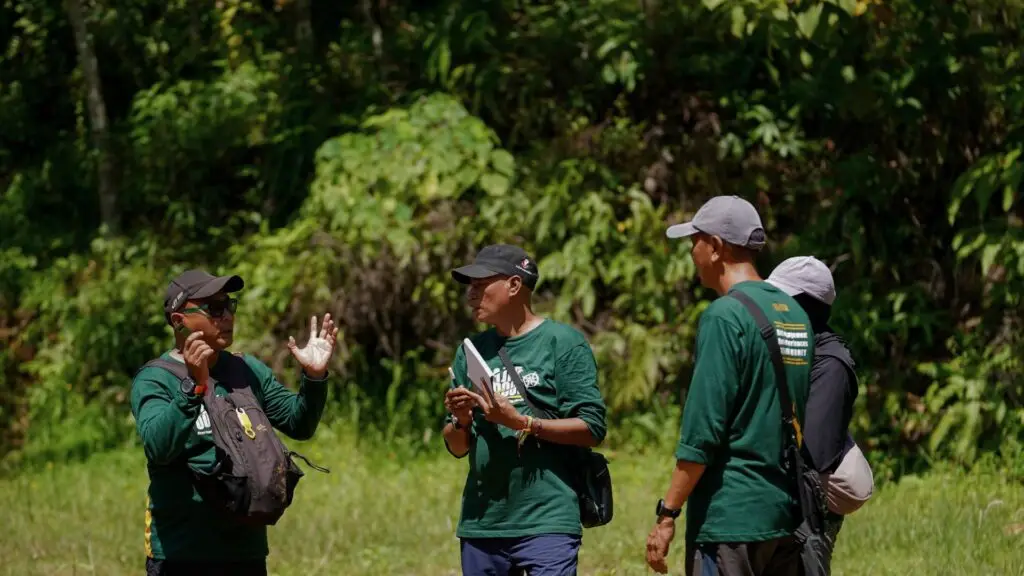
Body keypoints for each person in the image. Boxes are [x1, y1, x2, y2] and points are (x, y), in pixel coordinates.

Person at [645, 195, 815, 576]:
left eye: (695, 242)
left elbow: (703, 433)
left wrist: (668, 513)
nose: (692, 252)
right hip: (783, 513)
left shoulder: (724, 316)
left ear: (717, 247)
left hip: (731, 518)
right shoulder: (795, 314)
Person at [130, 269, 338, 576]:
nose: (226, 315)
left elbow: (299, 424)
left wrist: (315, 377)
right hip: (181, 554)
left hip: (245, 552)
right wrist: (193, 387)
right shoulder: (155, 379)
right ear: (178, 321)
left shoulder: (245, 368)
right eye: (214, 308)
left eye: (229, 305)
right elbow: (159, 447)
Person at [441, 244, 608, 576]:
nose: (471, 295)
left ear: (514, 286)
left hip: (547, 520)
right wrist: (460, 421)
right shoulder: (471, 351)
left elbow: (592, 428)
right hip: (482, 524)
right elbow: (457, 448)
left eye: (480, 285)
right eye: (469, 287)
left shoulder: (563, 343)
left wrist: (523, 422)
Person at [766, 256, 874, 559]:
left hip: (806, 508)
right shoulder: (797, 348)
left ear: (802, 306)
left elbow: (816, 454)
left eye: (778, 299)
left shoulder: (830, 363)